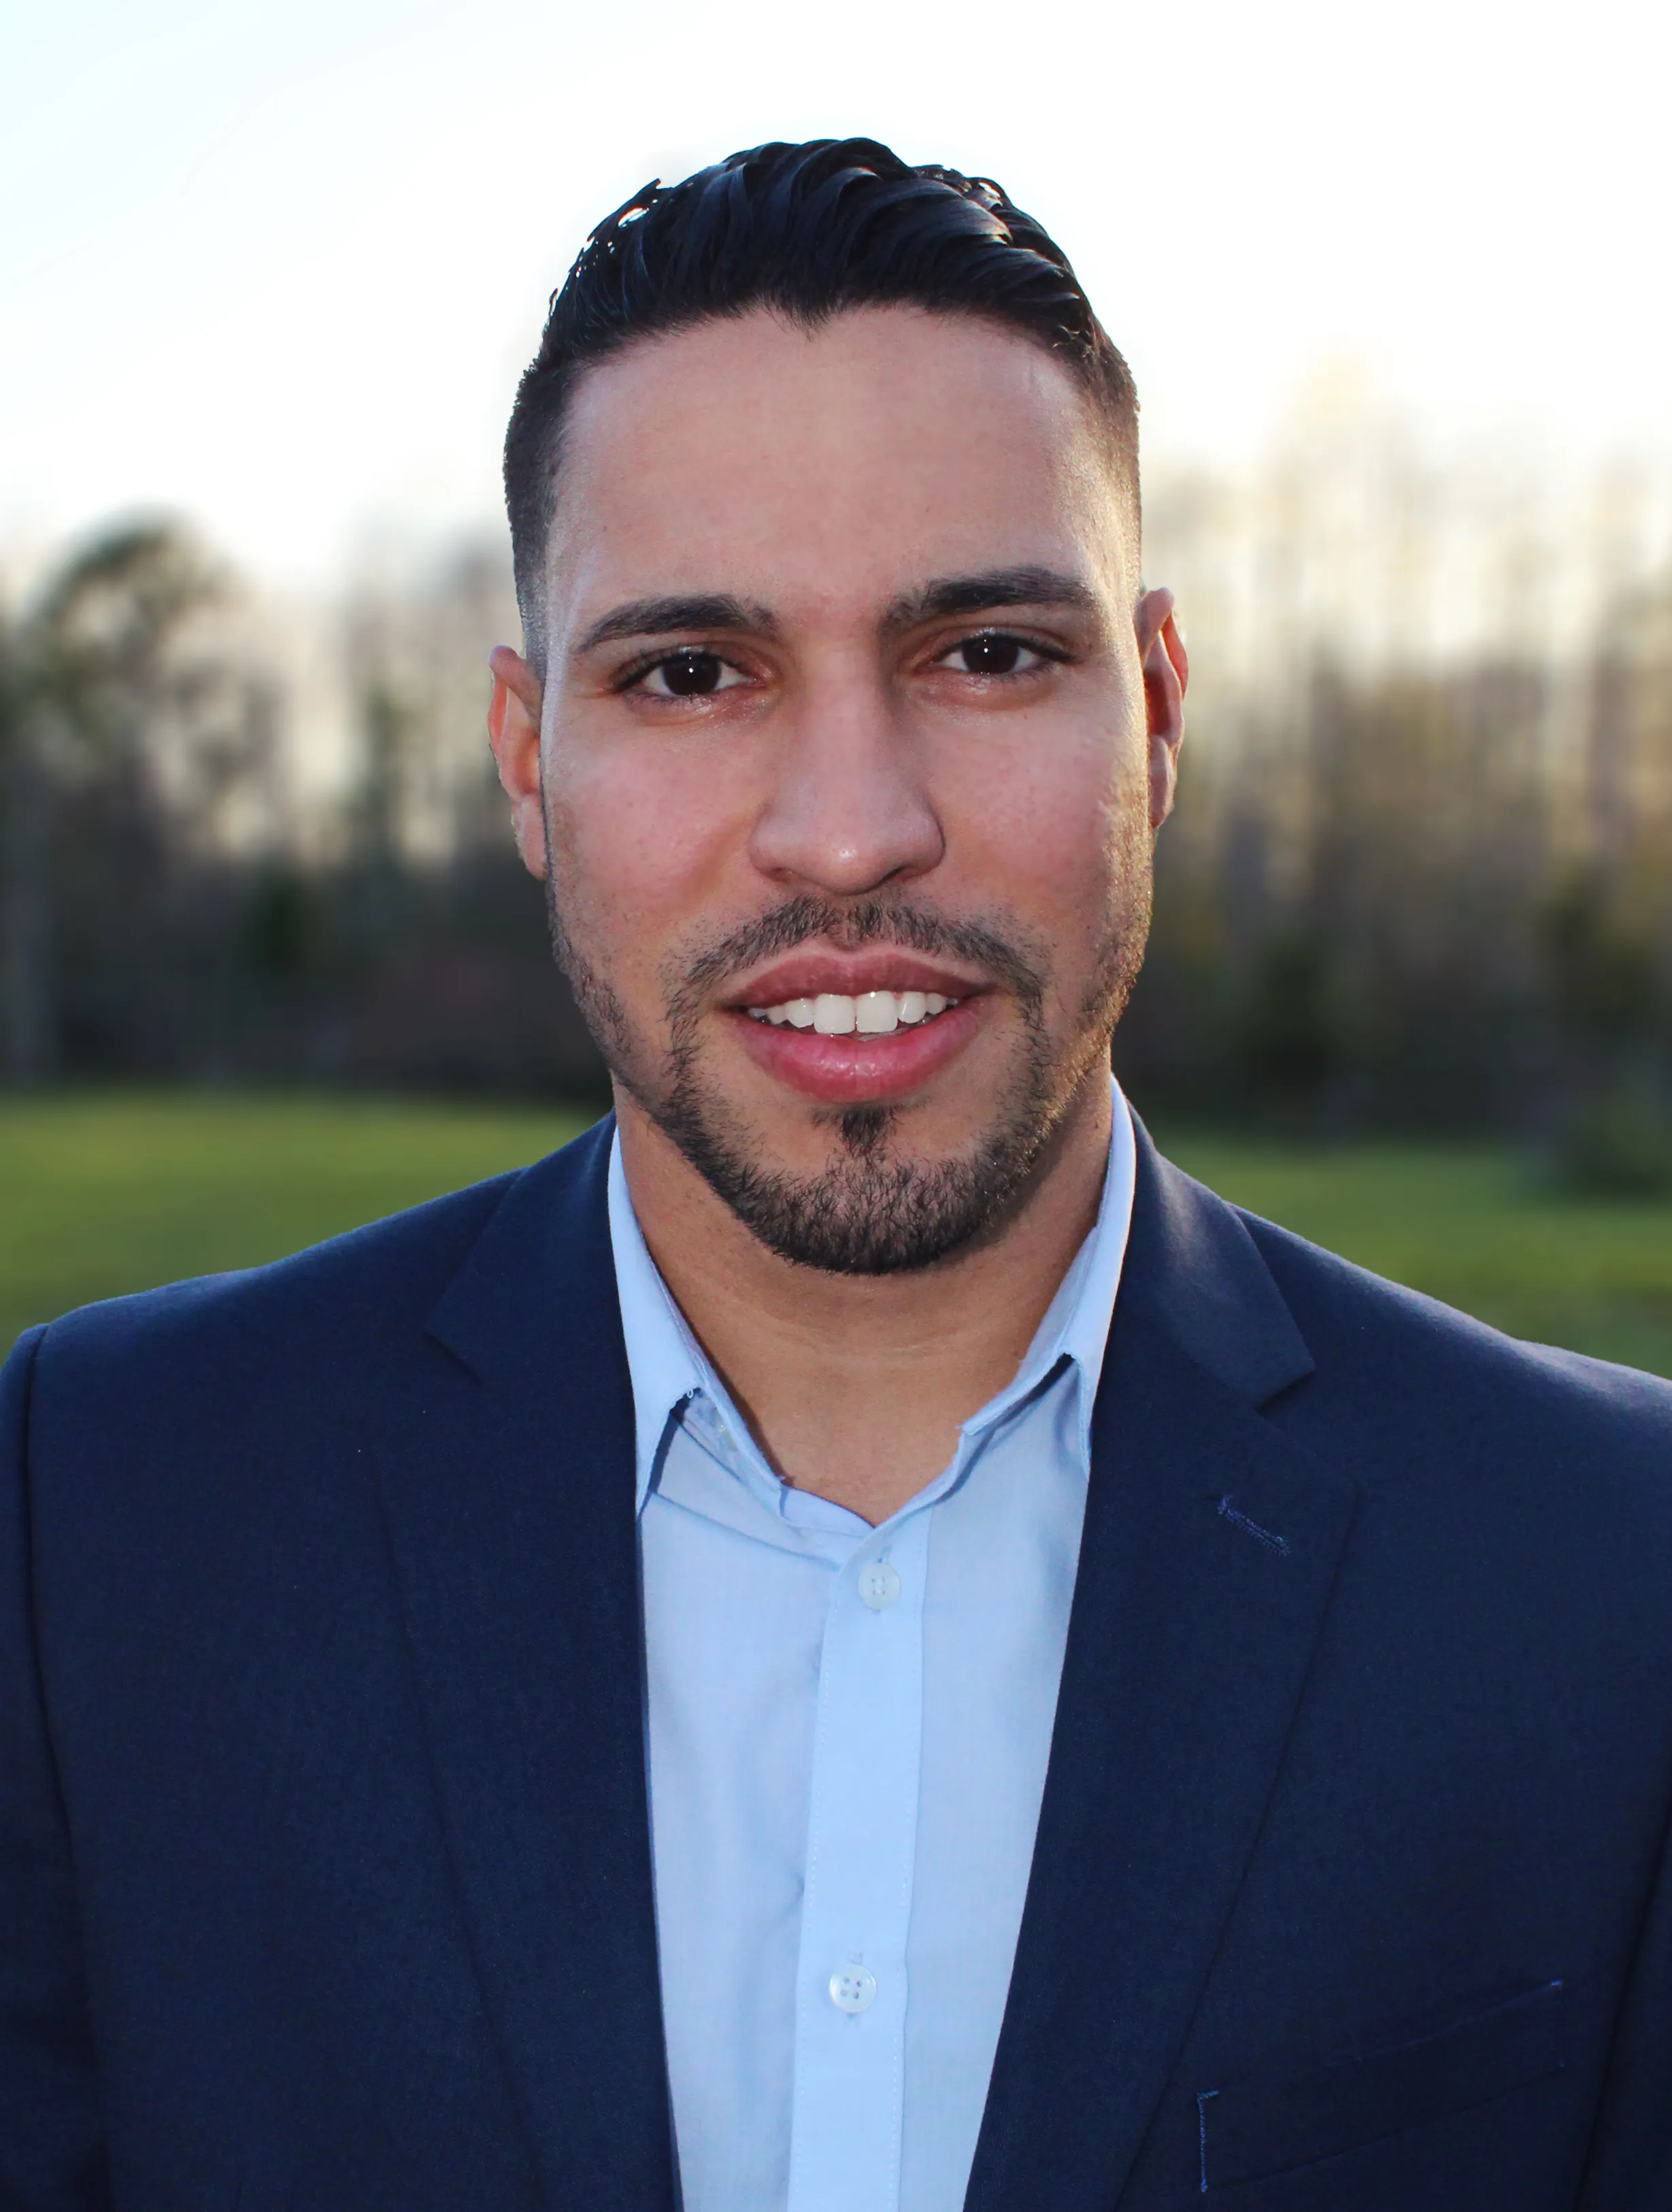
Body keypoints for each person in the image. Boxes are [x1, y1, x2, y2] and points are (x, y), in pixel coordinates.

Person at [2, 137, 1669, 2212]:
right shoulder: (98, 1517)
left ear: (1153, 711)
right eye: (692, 673)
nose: (853, 831)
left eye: (983, 652)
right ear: (530, 762)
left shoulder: (1611, 1570)